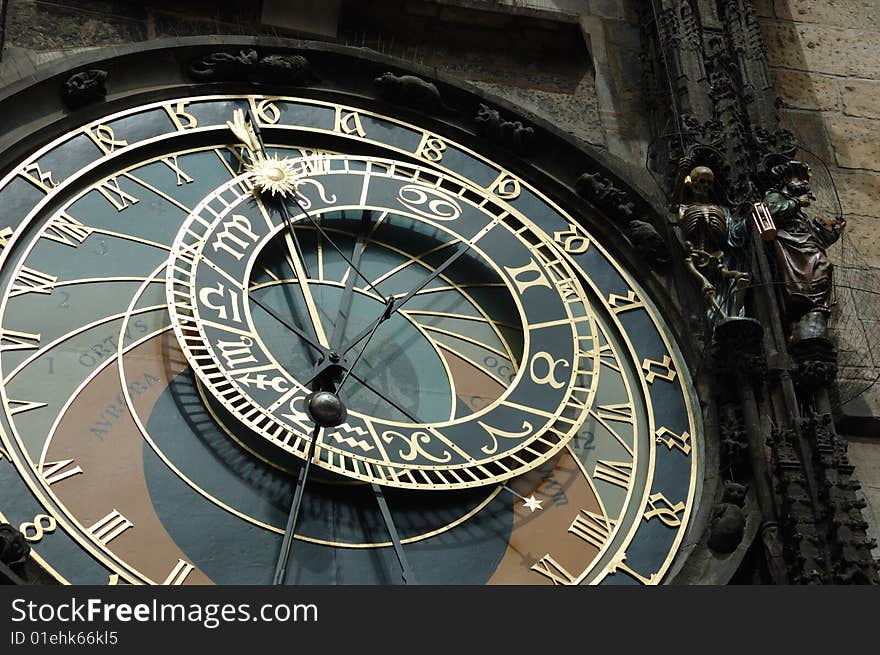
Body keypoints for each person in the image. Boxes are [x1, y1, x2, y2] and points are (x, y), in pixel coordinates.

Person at [763, 160, 845, 342]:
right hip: (791, 245)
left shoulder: (801, 214)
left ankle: (811, 309)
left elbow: (819, 238)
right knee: (820, 264)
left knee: (824, 266)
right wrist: (796, 202)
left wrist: (836, 231)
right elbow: (770, 211)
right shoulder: (775, 196)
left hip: (806, 245)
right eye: (799, 178)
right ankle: (804, 307)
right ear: (786, 180)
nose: (804, 183)